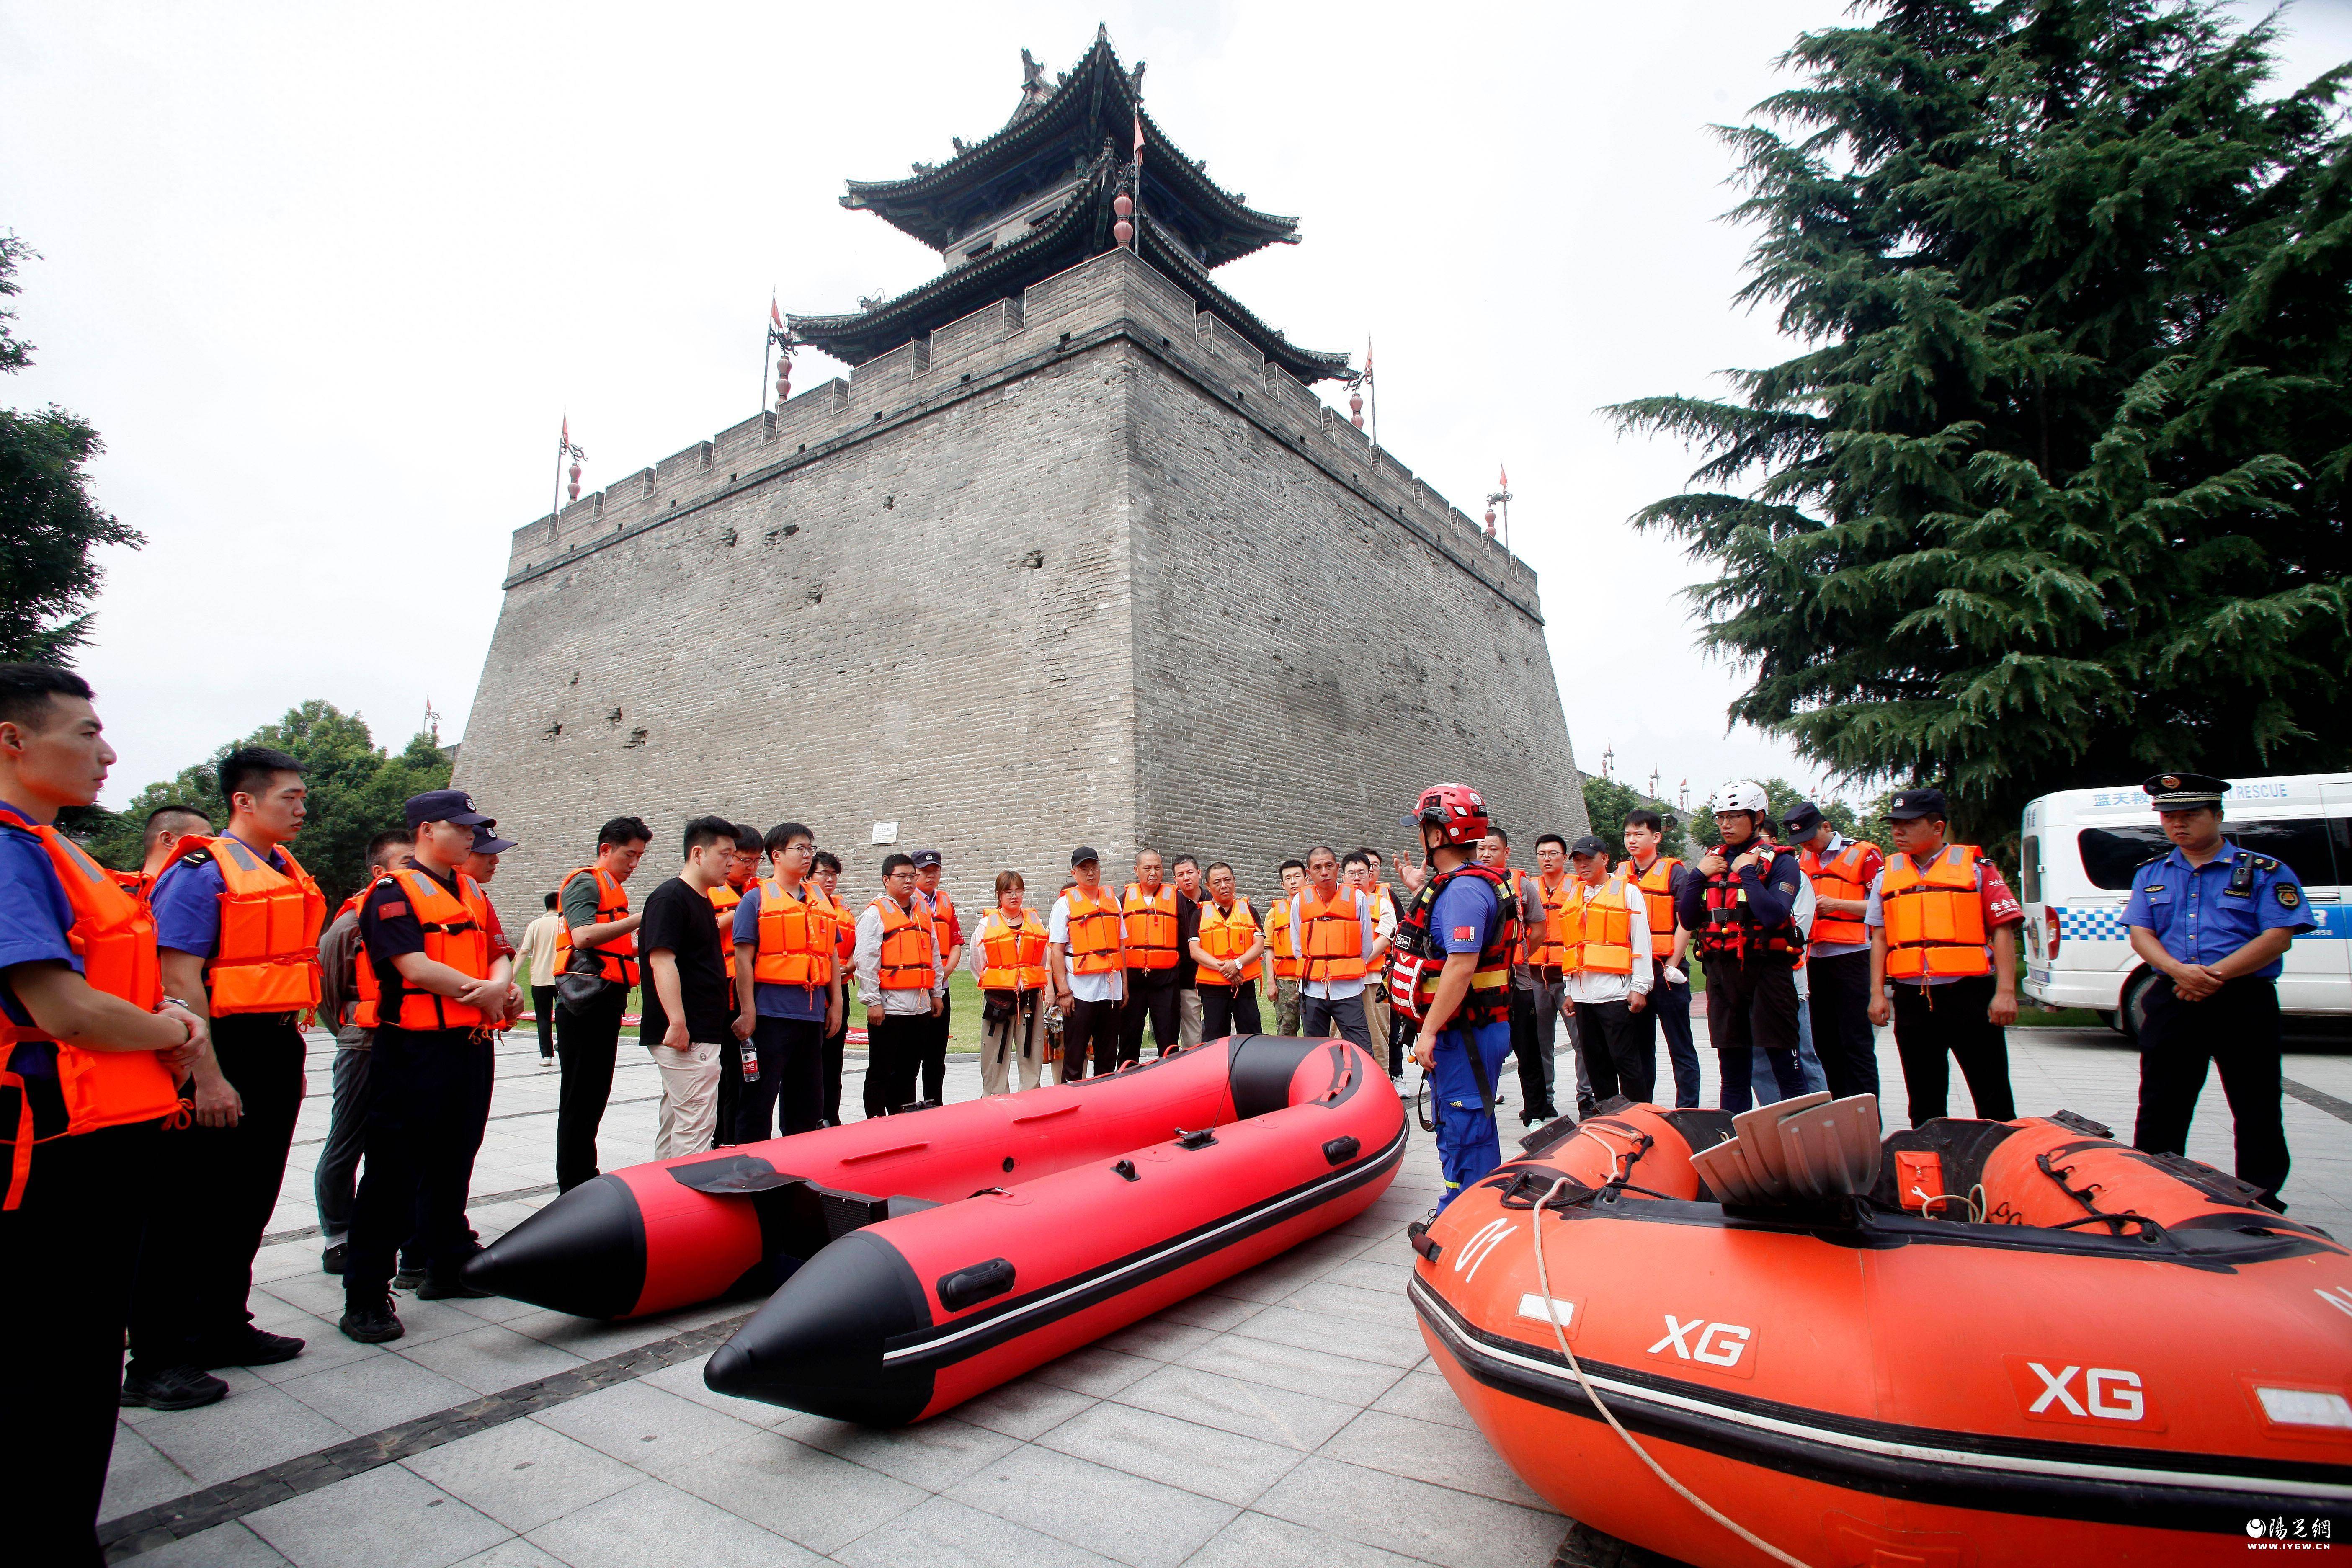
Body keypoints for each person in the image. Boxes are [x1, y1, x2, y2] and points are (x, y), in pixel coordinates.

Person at [0, 665, 207, 1560]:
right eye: (86, 733)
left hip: (97, 1136)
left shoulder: (51, 849)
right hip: (51, 1153)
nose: (108, 752)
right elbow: (63, 1008)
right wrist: (171, 1030)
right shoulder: (8, 850)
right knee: (57, 1368)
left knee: (77, 1359)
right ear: (13, 741)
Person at [128, 745, 324, 1400]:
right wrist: (207, 1077)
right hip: (217, 1049)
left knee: (249, 1197)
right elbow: (178, 980)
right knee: (188, 1207)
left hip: (272, 1046)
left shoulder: (285, 870)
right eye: (288, 798)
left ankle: (221, 1325)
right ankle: (157, 1360)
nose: (302, 808)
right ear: (244, 801)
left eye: (302, 797)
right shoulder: (201, 872)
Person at [339, 789, 516, 1342]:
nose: (470, 837)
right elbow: (412, 968)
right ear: (426, 831)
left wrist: (500, 987)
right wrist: (484, 993)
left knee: (455, 1158)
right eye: (460, 828)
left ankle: (446, 1264)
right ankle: (366, 1294)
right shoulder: (392, 895)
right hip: (414, 1051)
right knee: (393, 1171)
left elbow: (500, 949)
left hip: (468, 1044)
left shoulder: (472, 893)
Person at [2122, 772, 2312, 1211]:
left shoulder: (2264, 871)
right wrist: (2177, 972)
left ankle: (2261, 1199)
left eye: (2190, 815)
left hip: (2243, 1001)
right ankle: (2155, 1194)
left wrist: (2213, 976)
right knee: (2161, 1102)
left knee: (2256, 1104)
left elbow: (2278, 936)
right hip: (2174, 998)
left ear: (2218, 816)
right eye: (2169, 817)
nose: (2178, 825)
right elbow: (2140, 932)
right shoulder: (2153, 873)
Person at [1391, 784, 1518, 1215]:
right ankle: (1460, 1204)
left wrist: (1426, 1033)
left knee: (1466, 1123)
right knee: (1460, 1121)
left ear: (1441, 834)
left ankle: (1471, 1216)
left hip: (1467, 1030)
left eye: (1424, 827)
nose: (1419, 836)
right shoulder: (1455, 886)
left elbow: (1461, 967)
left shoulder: (1463, 892)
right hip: (1464, 1028)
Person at [1865, 788, 2023, 1127]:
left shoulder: (1977, 869)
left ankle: (1998, 1171)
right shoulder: (1886, 875)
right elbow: (1880, 937)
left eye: (1908, 824)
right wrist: (1878, 994)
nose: (1897, 832)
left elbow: (2003, 930)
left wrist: (2006, 992)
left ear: (1937, 828)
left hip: (1969, 994)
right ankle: (1931, 1170)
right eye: (1894, 824)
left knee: (1993, 1096)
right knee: (1924, 1102)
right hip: (1912, 999)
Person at [313, 828, 415, 1275]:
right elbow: (326, 993)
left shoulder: (413, 915)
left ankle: (397, 1232)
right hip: (362, 1044)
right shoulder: (350, 924)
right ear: (380, 872)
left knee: (397, 1144)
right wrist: (351, 1032)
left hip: (406, 1041)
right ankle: (338, 1233)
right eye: (406, 862)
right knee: (347, 1140)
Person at [1677, 780, 1810, 1114]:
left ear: (1758, 817)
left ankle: (1801, 1141)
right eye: (1721, 817)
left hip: (1768, 972)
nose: (1725, 824)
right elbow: (1690, 919)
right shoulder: (1711, 861)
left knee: (1785, 1065)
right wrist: (1696, 877)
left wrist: (1748, 873)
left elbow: (1774, 915)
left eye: (1735, 817)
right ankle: (1733, 1142)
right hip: (1722, 976)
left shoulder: (1782, 862)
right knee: (1732, 1072)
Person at [552, 816, 648, 1190]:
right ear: (605, 850)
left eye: (640, 856)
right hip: (583, 1005)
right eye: (629, 855)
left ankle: (583, 1174)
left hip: (605, 1002)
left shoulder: (613, 889)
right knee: (580, 1097)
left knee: (594, 1094)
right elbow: (583, 936)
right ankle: (574, 1181)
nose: (634, 864)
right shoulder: (586, 881)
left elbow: (615, 948)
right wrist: (641, 918)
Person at [731, 822, 839, 1138]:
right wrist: (748, 1011)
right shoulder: (756, 900)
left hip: (811, 1013)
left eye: (811, 849)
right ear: (776, 855)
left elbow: (829, 954)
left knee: (807, 1104)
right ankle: (751, 1171)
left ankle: (799, 1171)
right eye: (800, 849)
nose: (808, 856)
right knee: (758, 1100)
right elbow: (743, 960)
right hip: (771, 1015)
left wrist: (837, 1003)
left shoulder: (821, 900)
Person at [640, 818, 738, 1158]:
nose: (732, 863)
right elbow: (662, 961)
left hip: (701, 1029)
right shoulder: (670, 898)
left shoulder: (701, 900)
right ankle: (686, 1204)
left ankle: (662, 1196)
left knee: (677, 1121)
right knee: (696, 1126)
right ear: (698, 853)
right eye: (725, 854)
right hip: (686, 1034)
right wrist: (677, 1022)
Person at [1783, 799, 1882, 1101]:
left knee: (1856, 1041)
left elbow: (1885, 905)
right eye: (1801, 842)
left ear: (1826, 826)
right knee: (1824, 1043)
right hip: (1815, 958)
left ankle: (1866, 1115)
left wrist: (1838, 905)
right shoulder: (1803, 859)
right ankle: (1838, 1110)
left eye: (1810, 838)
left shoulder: (1865, 854)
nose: (1808, 846)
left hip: (1853, 957)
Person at [1560, 835, 1656, 1103]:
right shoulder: (1575, 894)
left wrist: (1640, 987)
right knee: (1596, 1065)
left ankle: (1640, 1118)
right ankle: (1608, 1119)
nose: (1582, 865)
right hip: (1583, 996)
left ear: (1604, 859)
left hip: (1615, 993)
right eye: (1577, 860)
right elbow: (1572, 946)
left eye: (1588, 859)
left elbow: (1641, 941)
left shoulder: (1627, 891)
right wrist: (1569, 989)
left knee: (1626, 1061)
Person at [1620, 810, 1700, 1109]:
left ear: (1656, 837)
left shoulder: (1675, 872)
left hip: (1667, 972)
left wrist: (1673, 964)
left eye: (1638, 834)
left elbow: (1686, 921)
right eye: (1628, 834)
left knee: (1681, 1047)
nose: (1632, 840)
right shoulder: (1620, 874)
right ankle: (1643, 1110)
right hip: (1634, 975)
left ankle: (1688, 1109)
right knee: (1640, 1051)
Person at [856, 852, 944, 1114]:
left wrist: (936, 993)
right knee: (881, 1070)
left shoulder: (923, 912)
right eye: (902, 876)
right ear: (886, 880)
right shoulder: (875, 914)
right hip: (889, 1007)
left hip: (920, 1006)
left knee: (909, 1071)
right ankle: (874, 1121)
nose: (909, 881)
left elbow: (934, 955)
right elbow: (866, 960)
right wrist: (872, 1001)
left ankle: (902, 1118)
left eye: (912, 876)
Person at [1049, 847, 1126, 1080]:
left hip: (1110, 989)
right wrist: (1063, 991)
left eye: (1095, 867)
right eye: (1084, 869)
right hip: (1080, 990)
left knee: (1108, 1053)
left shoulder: (1113, 901)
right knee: (1075, 1053)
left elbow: (1121, 946)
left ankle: (1104, 1102)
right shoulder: (1064, 905)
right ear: (1074, 873)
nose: (1091, 873)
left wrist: (1125, 986)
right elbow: (1057, 950)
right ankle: (1070, 1100)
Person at [970, 871, 1051, 1093]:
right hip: (998, 999)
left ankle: (1031, 1097)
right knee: (994, 1053)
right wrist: (999, 983)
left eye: (1018, 891)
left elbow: (1041, 960)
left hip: (1029, 998)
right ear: (999, 895)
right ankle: (995, 1099)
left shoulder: (1036, 922)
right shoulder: (986, 925)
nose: (1014, 896)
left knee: (1031, 1051)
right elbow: (976, 964)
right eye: (1008, 892)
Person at [1289, 846, 1376, 1051]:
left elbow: (1366, 945)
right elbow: (1298, 947)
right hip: (1312, 989)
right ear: (1309, 874)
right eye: (1317, 868)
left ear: (1338, 868)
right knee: (1314, 1050)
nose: (1324, 872)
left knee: (1360, 1048)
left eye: (1329, 866)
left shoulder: (1357, 898)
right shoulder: (1300, 901)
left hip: (1348, 988)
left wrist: (1346, 965)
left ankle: (1361, 1083)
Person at [1518, 833, 1577, 1121]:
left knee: (1581, 1042)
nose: (1547, 859)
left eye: (1553, 853)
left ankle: (1587, 1098)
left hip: (1569, 975)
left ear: (1564, 857)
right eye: (1542, 854)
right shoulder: (1528, 888)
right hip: (1535, 975)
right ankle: (1544, 1100)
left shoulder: (1578, 887)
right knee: (1540, 1043)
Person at [1120, 848, 1184, 1061]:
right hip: (1133, 981)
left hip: (1166, 982)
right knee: (1129, 1038)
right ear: (1136, 870)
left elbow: (1184, 936)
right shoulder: (1123, 900)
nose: (1153, 873)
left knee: (1168, 1040)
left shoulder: (1176, 898)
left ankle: (1169, 1084)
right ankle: (1126, 1081)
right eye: (1147, 868)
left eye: (1158, 868)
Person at [910, 850, 964, 1104]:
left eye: (935, 871)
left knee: (936, 1054)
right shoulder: (906, 902)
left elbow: (956, 942)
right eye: (924, 872)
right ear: (914, 873)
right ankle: (904, 1107)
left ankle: (934, 1103)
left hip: (942, 987)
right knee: (910, 1056)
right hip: (914, 989)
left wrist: (944, 973)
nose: (930, 876)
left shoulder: (945, 902)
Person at [1191, 861, 1266, 1039]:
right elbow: (1195, 951)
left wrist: (1237, 964)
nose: (1224, 885)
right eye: (1217, 882)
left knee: (1252, 1037)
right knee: (1214, 1039)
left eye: (1228, 880)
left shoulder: (1249, 911)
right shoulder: (1199, 915)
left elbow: (1259, 945)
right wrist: (1226, 968)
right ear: (1208, 886)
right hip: (1213, 989)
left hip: (1244, 984)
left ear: (1235, 881)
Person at [1346, 851, 1401, 1075]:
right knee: (1340, 1036)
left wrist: (1359, 963)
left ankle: (1381, 1083)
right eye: (1351, 873)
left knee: (1378, 1034)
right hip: (1342, 983)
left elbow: (1385, 937)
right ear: (1344, 877)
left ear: (1371, 876)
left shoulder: (1383, 903)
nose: (1357, 878)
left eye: (1362, 873)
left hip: (1373, 980)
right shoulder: (1334, 904)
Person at [810, 849, 854, 1123]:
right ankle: (812, 1118)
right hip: (813, 991)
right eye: (824, 873)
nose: (830, 879)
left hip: (841, 989)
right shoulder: (804, 904)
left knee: (834, 1060)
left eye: (834, 874)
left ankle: (832, 1117)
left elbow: (857, 945)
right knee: (812, 1061)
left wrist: (851, 966)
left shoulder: (841, 908)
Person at [122, 802, 212, 896]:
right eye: (208, 838)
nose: (214, 846)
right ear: (168, 840)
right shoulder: (122, 897)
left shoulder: (199, 889)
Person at [518, 891, 562, 1063]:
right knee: (564, 1016)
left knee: (543, 1017)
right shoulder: (563, 924)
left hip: (540, 978)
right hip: (561, 977)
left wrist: (513, 976)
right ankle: (563, 1044)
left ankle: (546, 1055)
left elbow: (523, 952)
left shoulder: (535, 925)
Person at [1264, 858, 1306, 1034]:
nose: (1293, 881)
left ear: (1307, 879)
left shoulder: (1318, 909)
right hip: (1286, 982)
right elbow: (1270, 949)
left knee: (1318, 1031)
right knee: (1286, 1030)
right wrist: (1271, 983)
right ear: (1283, 885)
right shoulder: (1275, 913)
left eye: (1297, 876)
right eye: (1288, 878)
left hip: (1313, 979)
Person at [1170, 854, 1206, 1050]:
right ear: (1175, 879)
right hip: (1185, 979)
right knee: (1192, 1038)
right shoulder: (1171, 904)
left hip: (1214, 978)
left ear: (1199, 874)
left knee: (1223, 1031)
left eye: (1190, 872)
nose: (1186, 878)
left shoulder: (1212, 899)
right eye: (1180, 875)